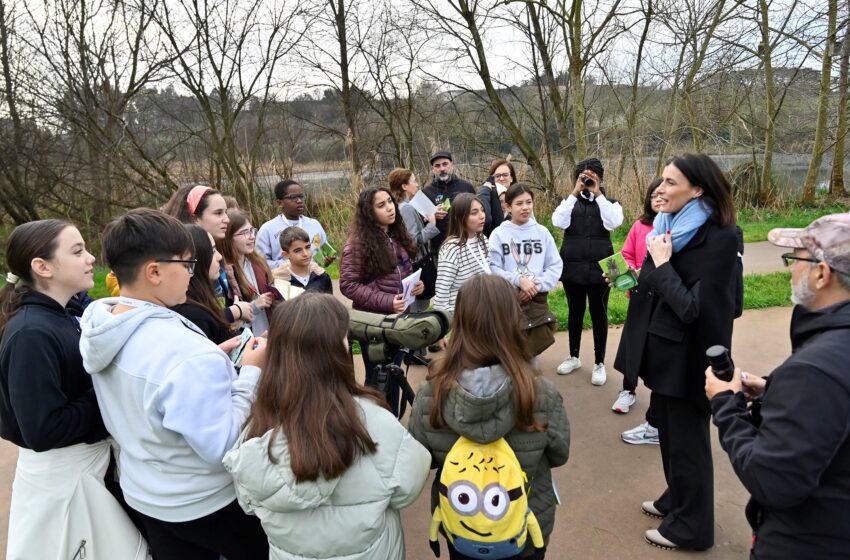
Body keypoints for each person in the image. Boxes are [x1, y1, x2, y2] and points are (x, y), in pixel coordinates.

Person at [79, 208, 269, 559]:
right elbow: (223, 444)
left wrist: (210, 363)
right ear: (154, 271)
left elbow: (151, 383)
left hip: (147, 495)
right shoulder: (184, 355)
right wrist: (251, 372)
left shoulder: (103, 326)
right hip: (205, 501)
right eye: (187, 264)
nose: (191, 273)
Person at [223, 293, 431, 559]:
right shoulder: (376, 422)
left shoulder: (257, 428)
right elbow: (408, 488)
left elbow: (249, 502)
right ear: (337, 350)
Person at [705, 213, 850, 559]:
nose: (791, 269)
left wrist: (726, 403)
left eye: (795, 259)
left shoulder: (813, 371)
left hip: (806, 542)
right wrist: (774, 390)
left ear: (821, 274)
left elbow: (772, 481)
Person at [613, 153, 738, 551]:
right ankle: (678, 500)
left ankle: (692, 528)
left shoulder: (720, 237)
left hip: (690, 360)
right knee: (669, 435)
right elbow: (656, 284)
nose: (660, 189)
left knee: (688, 443)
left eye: (670, 182)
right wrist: (642, 272)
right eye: (662, 180)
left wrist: (662, 265)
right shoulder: (667, 227)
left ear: (697, 189)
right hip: (664, 350)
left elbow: (701, 310)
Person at [0, 220, 146, 559]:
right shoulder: (31, 335)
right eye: (78, 251)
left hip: (82, 476)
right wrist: (109, 390)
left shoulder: (63, 314)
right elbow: (43, 430)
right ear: (43, 267)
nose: (91, 258)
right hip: (64, 485)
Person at [408, 274, 570, 560]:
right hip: (526, 525)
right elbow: (559, 454)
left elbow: (423, 460)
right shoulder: (540, 392)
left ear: (460, 323)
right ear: (514, 321)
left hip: (462, 525)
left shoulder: (432, 393)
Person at [339, 187, 424, 414]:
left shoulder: (397, 236)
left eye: (390, 201)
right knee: (378, 378)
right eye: (381, 205)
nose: (389, 208)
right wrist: (386, 301)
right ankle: (373, 423)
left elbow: (400, 273)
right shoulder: (357, 244)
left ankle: (392, 420)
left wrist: (415, 286)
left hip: (398, 320)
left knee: (394, 372)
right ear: (369, 212)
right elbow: (348, 285)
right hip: (374, 324)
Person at [552, 157, 624, 386]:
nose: (587, 181)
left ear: (600, 178)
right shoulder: (569, 202)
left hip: (602, 268)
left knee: (599, 313)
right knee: (575, 312)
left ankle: (599, 363)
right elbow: (557, 222)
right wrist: (575, 192)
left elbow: (613, 223)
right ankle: (573, 356)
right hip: (572, 266)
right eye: (583, 177)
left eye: (592, 177)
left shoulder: (611, 203)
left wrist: (598, 193)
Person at [489, 183, 563, 358]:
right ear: (508, 207)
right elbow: (492, 267)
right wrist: (518, 281)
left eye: (529, 202)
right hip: (508, 300)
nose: (525, 207)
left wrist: (536, 285)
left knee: (532, 352)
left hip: (536, 301)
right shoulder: (499, 234)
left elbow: (554, 265)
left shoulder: (542, 232)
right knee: (508, 352)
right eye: (519, 203)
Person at [163, 185, 251, 326]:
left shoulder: (217, 254)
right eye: (218, 213)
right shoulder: (180, 263)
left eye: (225, 212)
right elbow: (191, 317)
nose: (227, 219)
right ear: (195, 218)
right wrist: (231, 314)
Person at [613, 178, 662, 420]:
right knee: (633, 343)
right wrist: (629, 271)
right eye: (654, 196)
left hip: (664, 297)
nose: (658, 200)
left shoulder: (677, 228)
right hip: (640, 295)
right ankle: (627, 390)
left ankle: (659, 400)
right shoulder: (640, 225)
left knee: (658, 348)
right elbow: (626, 254)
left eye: (663, 195)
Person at [172, 225, 234, 344]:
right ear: (197, 259)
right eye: (212, 251)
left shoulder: (199, 301)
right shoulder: (195, 316)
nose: (219, 257)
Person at [217, 209, 275, 336]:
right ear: (228, 237)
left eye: (252, 230)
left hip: (267, 335)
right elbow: (230, 324)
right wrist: (255, 306)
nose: (252, 236)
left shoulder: (258, 263)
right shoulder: (224, 274)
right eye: (244, 233)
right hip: (245, 341)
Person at [389, 168, 439, 313]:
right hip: (416, 264)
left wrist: (423, 221)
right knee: (416, 308)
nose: (417, 184)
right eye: (414, 181)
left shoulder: (398, 206)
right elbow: (412, 242)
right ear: (404, 186)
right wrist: (432, 225)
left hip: (407, 265)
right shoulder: (406, 208)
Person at [432, 193, 490, 315]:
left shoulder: (483, 240)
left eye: (482, 210)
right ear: (460, 217)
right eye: (474, 213)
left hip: (483, 311)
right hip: (461, 315)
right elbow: (442, 295)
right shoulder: (451, 249)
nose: (482, 216)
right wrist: (448, 321)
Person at [256, 179, 333, 270]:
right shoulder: (268, 229)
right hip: (284, 278)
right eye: (293, 197)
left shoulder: (314, 224)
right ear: (280, 203)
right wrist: (292, 264)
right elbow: (260, 263)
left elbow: (323, 252)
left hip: (315, 276)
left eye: (301, 196)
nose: (299, 201)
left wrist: (325, 260)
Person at [422, 151, 475, 253]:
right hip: (441, 249)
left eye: (445, 164)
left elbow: (477, 212)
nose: (442, 169)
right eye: (437, 166)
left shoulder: (466, 187)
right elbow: (421, 224)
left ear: (452, 165)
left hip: (467, 246)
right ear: (433, 169)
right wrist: (431, 215)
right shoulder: (426, 193)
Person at [278, 226, 334, 294]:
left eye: (307, 247)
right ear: (286, 254)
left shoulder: (322, 277)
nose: (305, 254)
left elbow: (329, 300)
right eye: (298, 250)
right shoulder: (280, 281)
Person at [477, 158, 516, 236]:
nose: (501, 178)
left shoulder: (521, 195)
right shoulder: (486, 196)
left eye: (505, 175)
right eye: (497, 176)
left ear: (511, 178)